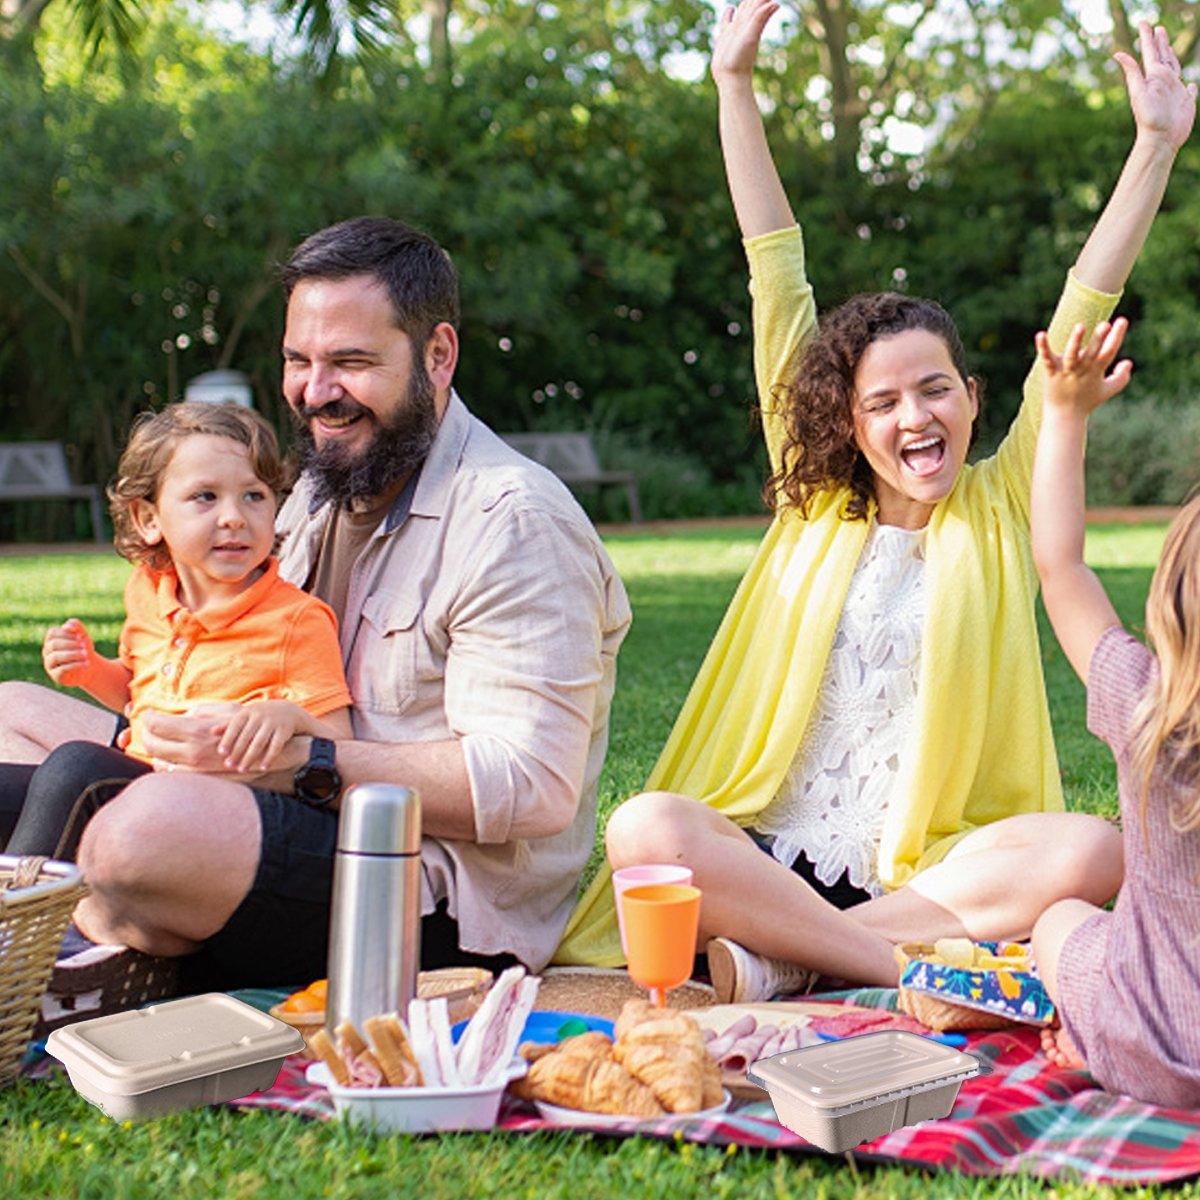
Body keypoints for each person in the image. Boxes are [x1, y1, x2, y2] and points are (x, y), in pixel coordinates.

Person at [558, 2, 1196, 1003]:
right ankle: (892, 968)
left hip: (924, 875)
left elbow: (1084, 307)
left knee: (1086, 849)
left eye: (936, 388)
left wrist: (1155, 145)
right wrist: (733, 86)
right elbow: (774, 265)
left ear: (974, 399)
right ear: (848, 425)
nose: (915, 417)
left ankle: (780, 958)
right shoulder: (814, 503)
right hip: (764, 847)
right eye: (883, 401)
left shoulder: (997, 508)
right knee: (647, 826)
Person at [0, 216, 631, 1018]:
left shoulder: (512, 519)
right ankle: (111, 940)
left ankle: (74, 942)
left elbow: (532, 788)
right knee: (10, 712)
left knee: (139, 832)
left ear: (438, 355)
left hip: (421, 892)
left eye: (352, 362)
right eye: (299, 361)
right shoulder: (320, 490)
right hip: (258, 805)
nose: (316, 391)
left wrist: (298, 762)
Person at [2, 402, 353, 863]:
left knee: (76, 768)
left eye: (254, 496)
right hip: (140, 773)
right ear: (149, 519)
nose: (234, 516)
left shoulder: (295, 620)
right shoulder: (149, 591)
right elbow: (137, 692)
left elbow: (339, 739)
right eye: (205, 497)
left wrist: (288, 717)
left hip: (214, 809)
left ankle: (20, 922)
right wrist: (90, 672)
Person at [1029, 316, 1200, 1107]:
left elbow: (1060, 567)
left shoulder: (1146, 708)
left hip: (1146, 1051)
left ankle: (1081, 1031)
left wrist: (1065, 414)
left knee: (1061, 919)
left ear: (1170, 601)